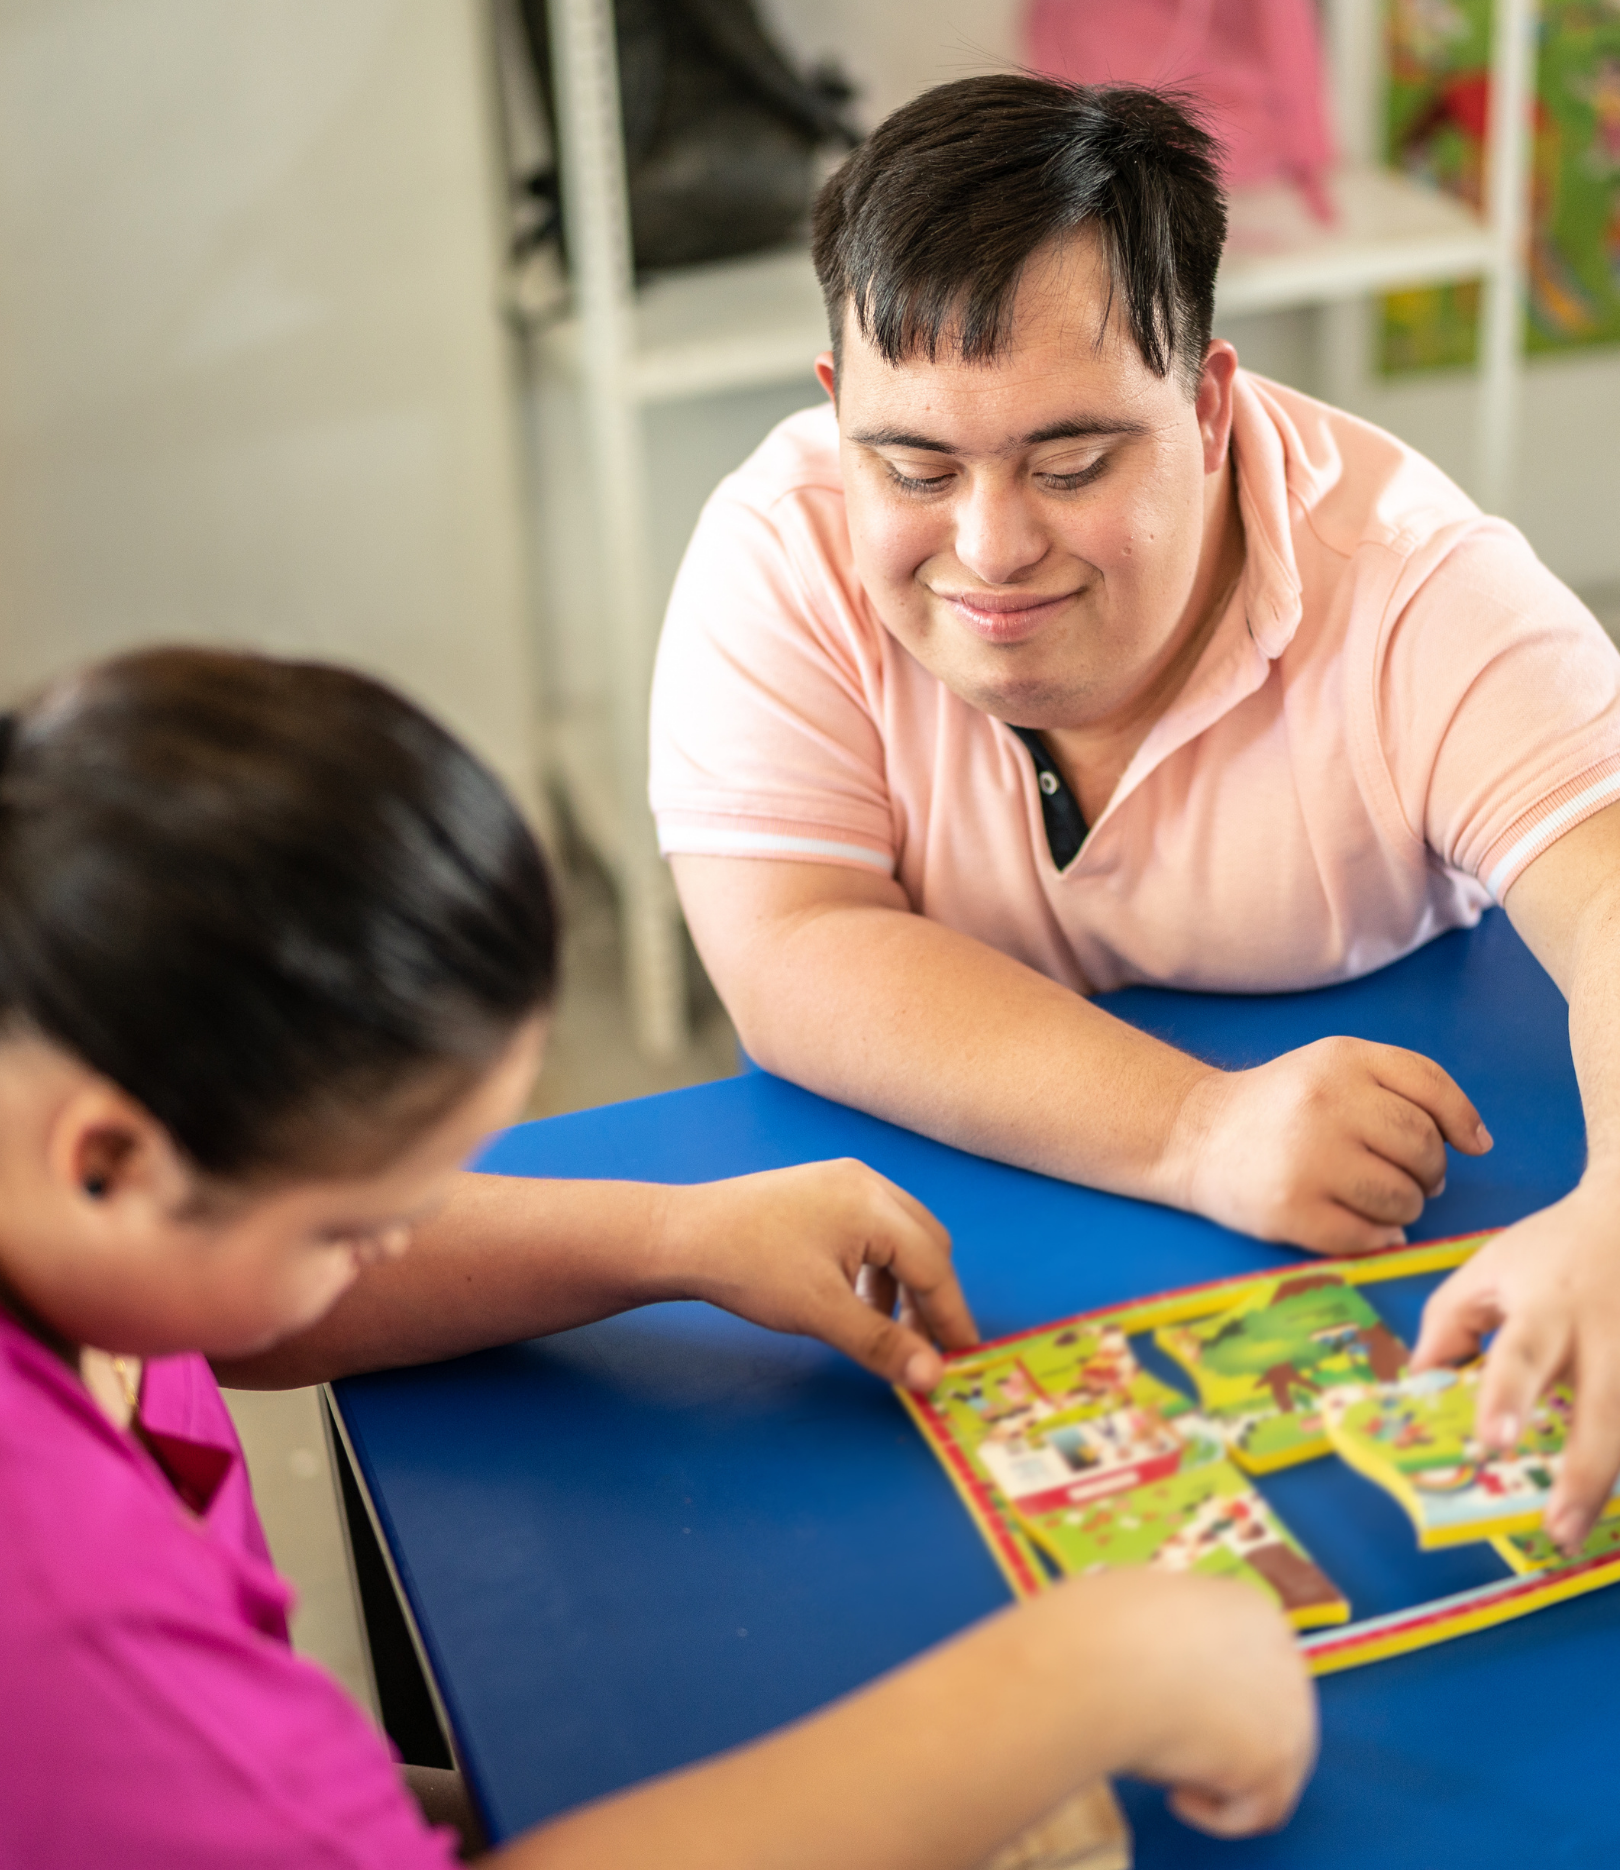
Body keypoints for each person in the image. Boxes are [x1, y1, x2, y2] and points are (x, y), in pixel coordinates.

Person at [0, 646, 1314, 1868]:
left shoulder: (61, 1134)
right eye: (352, 1223)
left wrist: (677, 1234)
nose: (397, 1239)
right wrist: (1081, 1683)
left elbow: (224, 1285)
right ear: (110, 1162)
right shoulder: (58, 1605)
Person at [648, 76, 1620, 1554]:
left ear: (1209, 407)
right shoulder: (779, 548)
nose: (990, 549)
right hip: (965, 1221)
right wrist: (1198, 1129)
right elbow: (788, 943)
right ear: (838, 409)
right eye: (914, 466)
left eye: (1071, 464)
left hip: (1404, 1204)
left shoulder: (1415, 586)